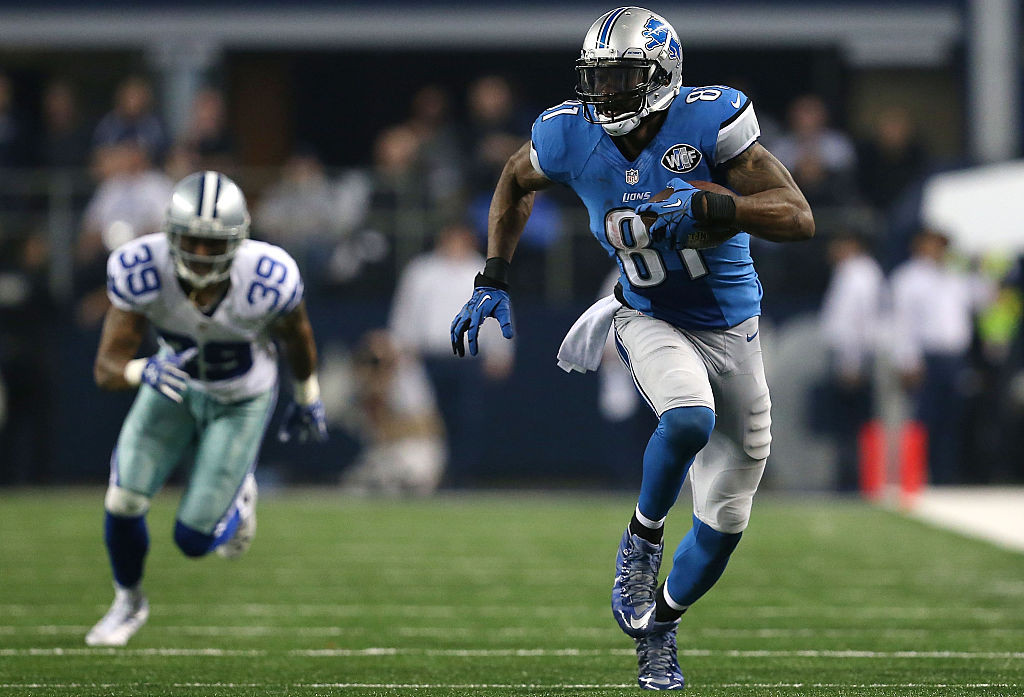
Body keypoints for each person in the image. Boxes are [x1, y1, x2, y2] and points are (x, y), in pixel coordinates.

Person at [450, 7, 813, 690]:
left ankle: (660, 627)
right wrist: (492, 276)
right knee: (687, 417)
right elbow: (512, 180)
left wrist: (715, 205)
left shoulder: (711, 125)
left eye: (622, 79)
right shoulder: (568, 135)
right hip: (646, 314)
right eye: (598, 79)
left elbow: (798, 216)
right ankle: (641, 540)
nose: (606, 95)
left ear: (662, 76)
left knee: (726, 519)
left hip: (734, 330)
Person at [86, 171, 327, 647]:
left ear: (239, 240)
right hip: (171, 386)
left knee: (193, 541)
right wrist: (141, 372)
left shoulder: (267, 276)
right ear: (171, 235)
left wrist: (307, 394)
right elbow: (106, 368)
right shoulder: (142, 267)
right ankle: (128, 602)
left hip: (241, 399)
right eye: (191, 241)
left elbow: (297, 335)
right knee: (124, 500)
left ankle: (240, 499)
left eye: (211, 244)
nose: (199, 254)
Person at [889, 228, 993, 485]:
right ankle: (917, 477)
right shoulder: (908, 278)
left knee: (953, 420)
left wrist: (978, 267)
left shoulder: (955, 277)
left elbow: (985, 299)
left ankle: (946, 477)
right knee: (924, 420)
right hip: (927, 358)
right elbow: (902, 323)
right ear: (919, 244)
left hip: (955, 359)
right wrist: (908, 360)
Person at [337, 329, 446, 496]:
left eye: (382, 360)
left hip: (415, 451)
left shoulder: (408, 380)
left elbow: (431, 428)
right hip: (384, 454)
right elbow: (375, 431)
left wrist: (393, 428)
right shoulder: (363, 387)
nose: (378, 365)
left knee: (413, 474)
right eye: (373, 360)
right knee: (356, 489)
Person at [818, 231, 885, 491]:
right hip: (854, 357)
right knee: (849, 424)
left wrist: (850, 362)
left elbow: (855, 322)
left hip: (854, 359)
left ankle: (854, 481)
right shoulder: (856, 272)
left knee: (851, 425)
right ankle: (854, 479)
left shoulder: (857, 275)